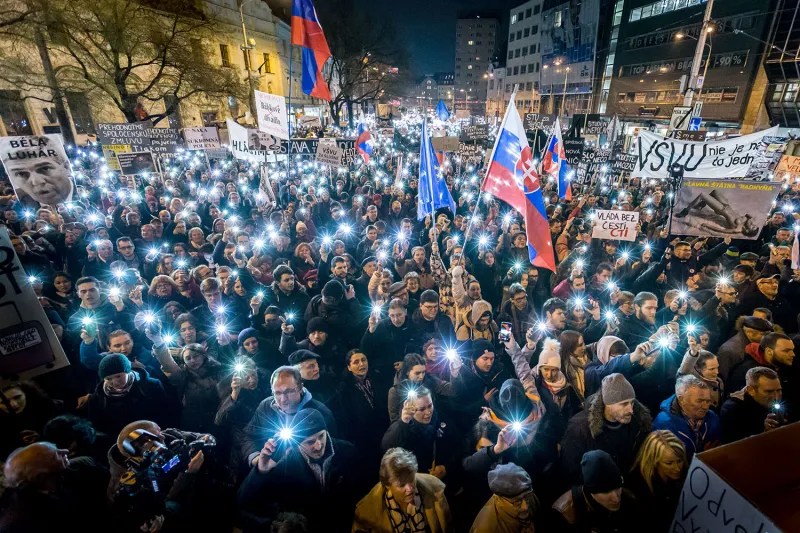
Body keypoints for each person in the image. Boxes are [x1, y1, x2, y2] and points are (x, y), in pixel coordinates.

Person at [238, 408, 362, 532]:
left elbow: (363, 490)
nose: (318, 446)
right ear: (298, 441)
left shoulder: (347, 452)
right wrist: (262, 471)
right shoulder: (285, 463)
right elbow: (245, 501)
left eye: (321, 436)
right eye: (310, 442)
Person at [560, 373, 652, 485]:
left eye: (632, 402)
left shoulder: (637, 423)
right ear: (608, 404)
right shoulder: (579, 428)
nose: (631, 410)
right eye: (624, 404)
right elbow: (571, 470)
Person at [0, 442, 108, 532]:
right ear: (39, 477)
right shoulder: (21, 522)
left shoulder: (83, 466)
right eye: (56, 454)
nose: (65, 451)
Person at [242, 366, 337, 467]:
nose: (283, 399)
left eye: (288, 392)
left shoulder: (320, 412)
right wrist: (257, 460)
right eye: (277, 393)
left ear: (300, 388)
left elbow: (332, 451)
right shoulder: (265, 407)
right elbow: (249, 436)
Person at [352, 447, 453, 533]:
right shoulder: (366, 513)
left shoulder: (434, 491)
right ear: (387, 485)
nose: (409, 489)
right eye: (401, 485)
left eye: (411, 480)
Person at [77, 352, 169, 437]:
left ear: (128, 371)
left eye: (119, 376)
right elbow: (100, 427)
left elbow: (165, 413)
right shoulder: (98, 398)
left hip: (154, 436)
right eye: (109, 379)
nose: (115, 382)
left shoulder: (151, 386)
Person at [381, 385, 459, 483]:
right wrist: (403, 423)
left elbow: (459, 447)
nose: (428, 412)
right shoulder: (403, 427)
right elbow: (387, 448)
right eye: (422, 409)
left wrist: (446, 467)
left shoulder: (442, 421)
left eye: (430, 406)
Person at [550, 450, 637, 533]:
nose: (616, 499)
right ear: (591, 491)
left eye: (617, 488)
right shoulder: (565, 515)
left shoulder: (628, 498)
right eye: (606, 492)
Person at [626, 431, 688, 532]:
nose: (677, 469)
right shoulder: (638, 488)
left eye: (679, 461)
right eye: (669, 463)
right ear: (653, 460)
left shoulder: (684, 471)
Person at [652, 375, 722, 461]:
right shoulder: (663, 425)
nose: (705, 407)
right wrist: (701, 457)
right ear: (681, 399)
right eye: (699, 401)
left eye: (708, 401)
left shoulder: (713, 418)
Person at [469, 463, 540, 533]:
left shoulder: (528, 494)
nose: (526, 507)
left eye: (526, 497)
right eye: (516, 502)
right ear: (502, 498)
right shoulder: (486, 529)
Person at [720, 366, 784, 443]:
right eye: (769, 392)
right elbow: (736, 445)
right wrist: (764, 433)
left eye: (779, 390)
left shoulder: (777, 400)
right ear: (751, 390)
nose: (776, 397)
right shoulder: (732, 410)